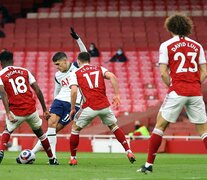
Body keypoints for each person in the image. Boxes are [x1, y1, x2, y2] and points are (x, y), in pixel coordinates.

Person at [137, 13, 207, 174]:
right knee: (203, 130)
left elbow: (163, 72)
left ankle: (148, 165)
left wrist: (172, 84)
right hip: (195, 92)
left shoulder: (166, 45)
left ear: (170, 27)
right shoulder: (197, 46)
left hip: (178, 90)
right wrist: (196, 83)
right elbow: (204, 70)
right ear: (187, 27)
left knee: (160, 125)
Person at [68, 51, 136, 166]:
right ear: (89, 61)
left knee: (75, 129)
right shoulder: (99, 68)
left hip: (89, 106)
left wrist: (72, 108)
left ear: (78, 61)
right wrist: (117, 94)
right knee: (114, 126)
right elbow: (112, 76)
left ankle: (73, 158)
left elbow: (74, 91)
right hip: (104, 105)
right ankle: (128, 151)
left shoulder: (75, 73)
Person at [31, 28, 86, 160]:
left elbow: (84, 54)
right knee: (51, 127)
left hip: (74, 104)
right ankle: (49, 156)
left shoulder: (76, 66)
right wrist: (51, 106)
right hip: (59, 101)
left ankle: (33, 152)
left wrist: (78, 39)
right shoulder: (57, 75)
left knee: (54, 130)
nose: (57, 67)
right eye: (55, 65)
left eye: (58, 64)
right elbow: (57, 90)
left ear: (65, 61)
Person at [0, 51, 58, 165]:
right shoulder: (25, 71)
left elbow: (3, 93)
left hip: (16, 111)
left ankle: (1, 151)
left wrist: (8, 112)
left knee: (7, 130)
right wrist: (45, 110)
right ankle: (52, 159)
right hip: (31, 110)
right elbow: (38, 90)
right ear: (12, 60)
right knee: (41, 134)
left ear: (1, 63)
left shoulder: (1, 74)